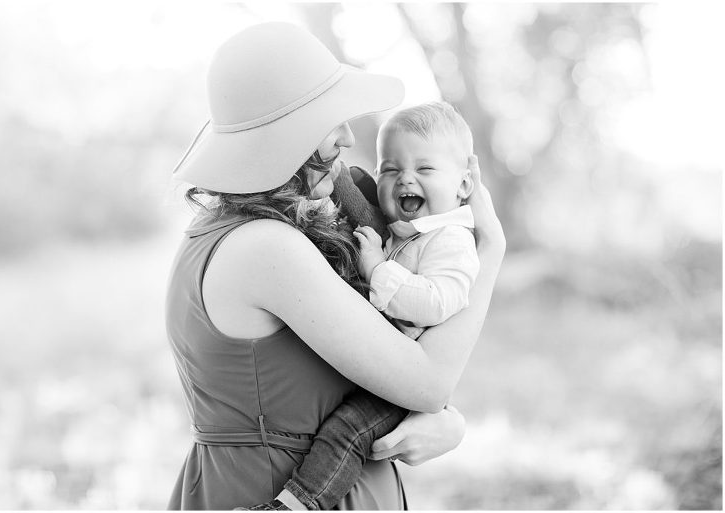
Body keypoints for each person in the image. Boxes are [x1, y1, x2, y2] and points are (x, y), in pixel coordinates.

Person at [166, 22, 505, 510]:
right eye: (329, 121)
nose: (348, 137)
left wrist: (446, 418)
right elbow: (427, 380)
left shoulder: (249, 231)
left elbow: (381, 355)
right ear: (285, 136)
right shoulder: (266, 248)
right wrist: (490, 250)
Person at [245, 102, 484, 511]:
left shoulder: (453, 242)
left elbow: (436, 302)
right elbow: (360, 208)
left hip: (401, 382)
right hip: (387, 362)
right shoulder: (406, 231)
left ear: (463, 186)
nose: (404, 178)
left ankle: (299, 504)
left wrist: (377, 270)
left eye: (424, 169)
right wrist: (341, 180)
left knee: (348, 432)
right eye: (389, 169)